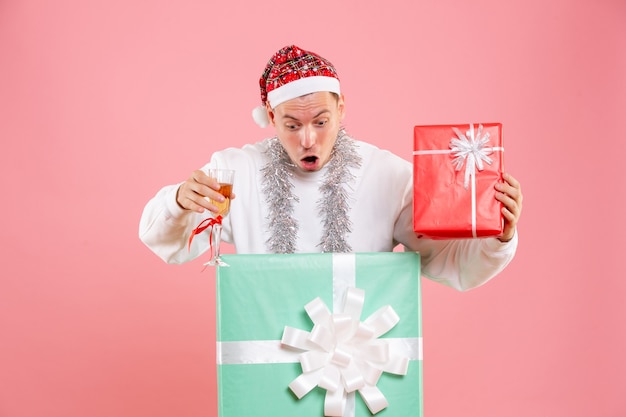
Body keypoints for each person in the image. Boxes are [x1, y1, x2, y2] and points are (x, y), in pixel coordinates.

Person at [139, 45, 523, 291]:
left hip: (360, 359)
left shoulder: (389, 175)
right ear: (271, 116)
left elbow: (449, 262)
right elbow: (167, 243)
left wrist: (498, 235)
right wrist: (178, 202)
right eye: (292, 125)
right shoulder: (235, 170)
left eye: (321, 122)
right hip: (263, 349)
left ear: (341, 109)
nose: (308, 139)